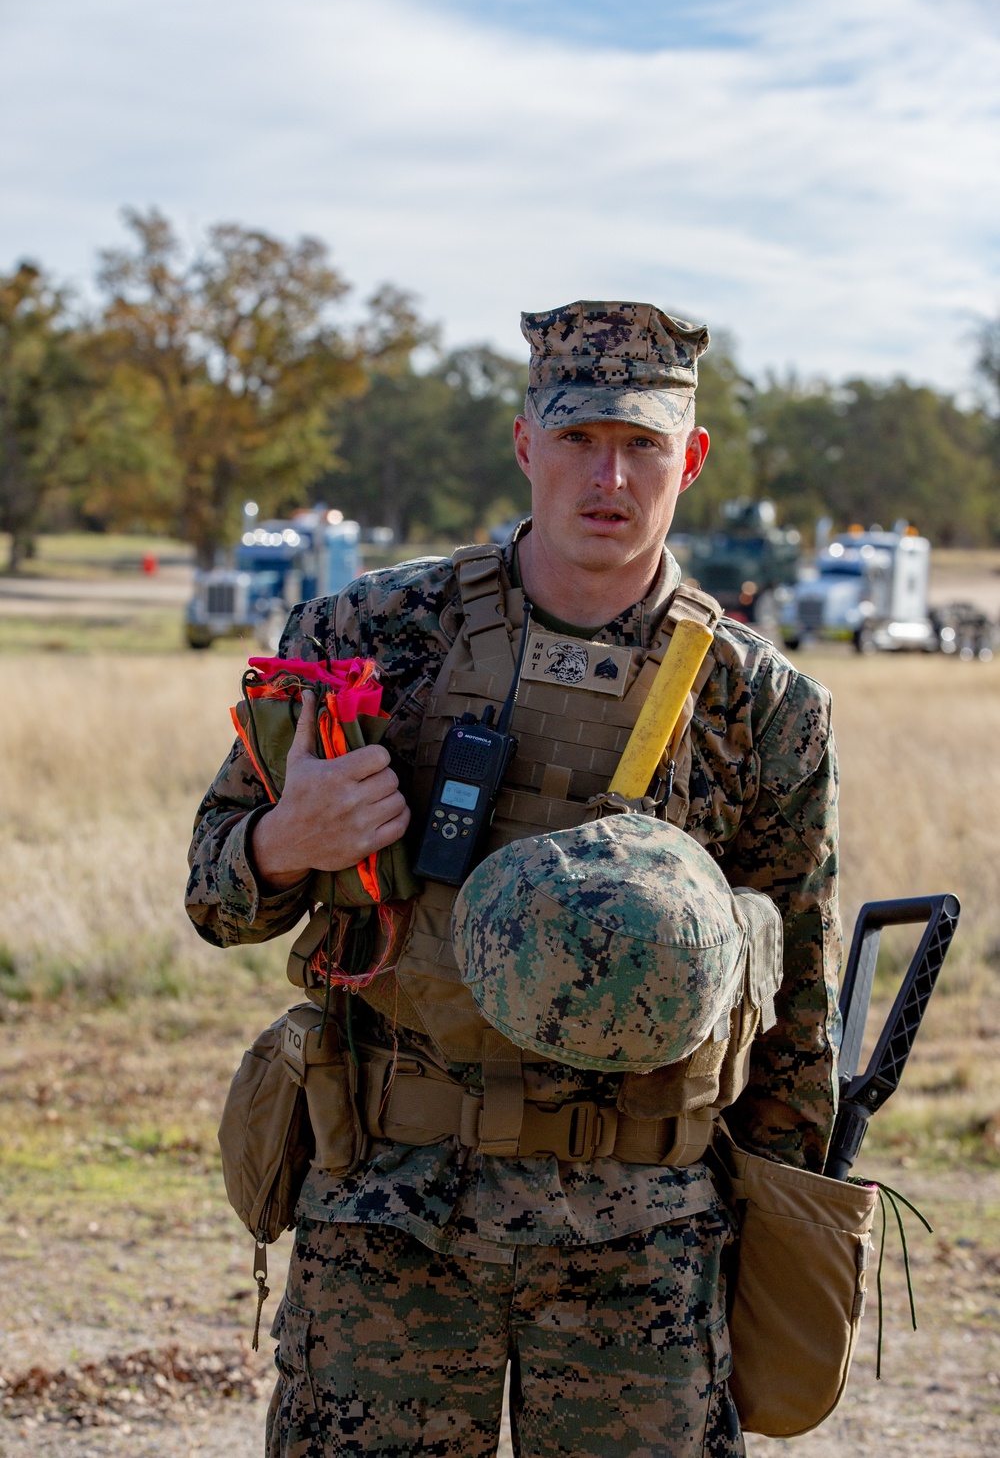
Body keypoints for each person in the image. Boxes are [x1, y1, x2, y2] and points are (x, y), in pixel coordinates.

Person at [187, 301, 840, 1458]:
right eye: (581, 437)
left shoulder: (762, 702)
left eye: (643, 445)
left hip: (641, 1240)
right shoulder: (369, 634)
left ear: (686, 461)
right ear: (524, 442)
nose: (610, 475)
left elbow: (794, 1003)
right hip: (391, 1213)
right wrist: (288, 841)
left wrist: (784, 1231)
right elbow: (215, 891)